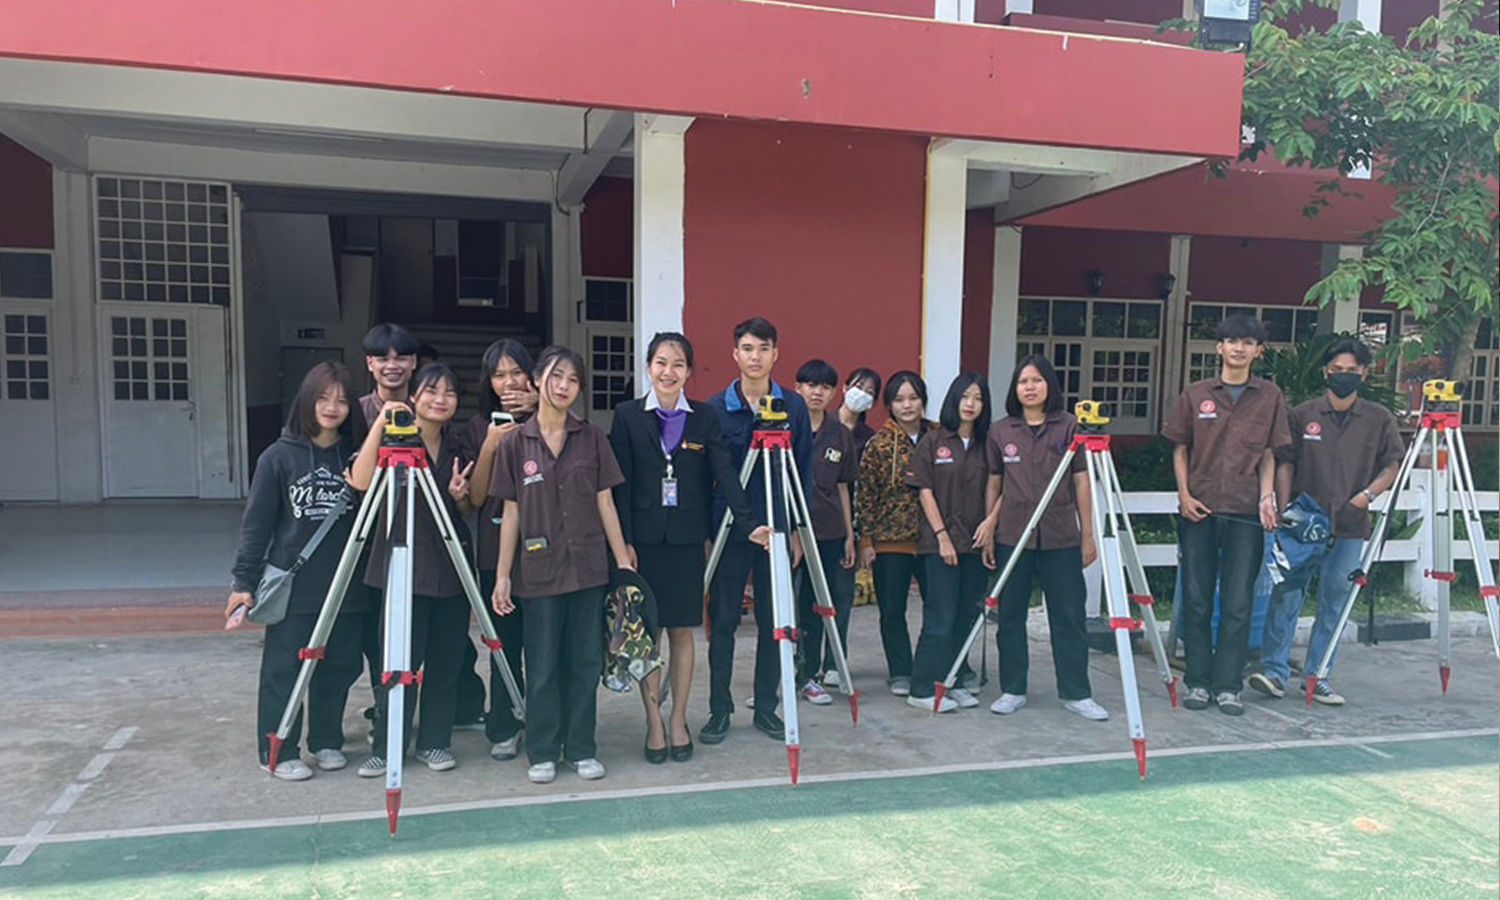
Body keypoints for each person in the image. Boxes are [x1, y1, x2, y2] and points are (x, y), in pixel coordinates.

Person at [609, 332, 767, 764]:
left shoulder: (703, 417)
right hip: (643, 543)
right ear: (648, 367)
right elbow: (620, 484)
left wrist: (748, 523)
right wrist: (624, 541)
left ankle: (677, 718)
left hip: (685, 540)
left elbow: (725, 473)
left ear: (689, 371)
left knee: (682, 632)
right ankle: (653, 721)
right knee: (648, 638)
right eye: (661, 362)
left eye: (678, 364)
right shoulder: (627, 416)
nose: (669, 371)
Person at [491, 346, 634, 784]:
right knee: (542, 666)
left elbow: (606, 502)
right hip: (538, 573)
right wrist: (502, 575)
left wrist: (623, 564)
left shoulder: (592, 439)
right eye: (556, 377)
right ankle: (542, 750)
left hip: (588, 569)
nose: (564, 386)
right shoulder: (515, 443)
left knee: (585, 663)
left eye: (573, 380)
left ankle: (581, 748)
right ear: (536, 381)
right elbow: (511, 513)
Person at [227, 362, 368, 780]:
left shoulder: (358, 456)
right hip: (294, 583)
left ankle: (326, 740)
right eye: (323, 398)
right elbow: (257, 525)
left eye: (341, 400)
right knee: (284, 670)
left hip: (346, 583)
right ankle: (277, 748)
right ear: (306, 400)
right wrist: (243, 581)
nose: (332, 407)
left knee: (339, 666)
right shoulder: (278, 457)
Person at [1250, 338, 1403, 706]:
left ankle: (1318, 676)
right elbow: (1285, 461)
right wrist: (1285, 508)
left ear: (1364, 373)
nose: (1343, 376)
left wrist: (1367, 496)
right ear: (1325, 372)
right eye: (1337, 370)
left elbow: (1392, 465)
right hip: (1302, 525)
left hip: (1350, 524)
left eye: (1351, 371)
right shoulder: (1303, 415)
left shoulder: (1378, 418)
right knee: (1286, 596)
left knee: (1335, 601)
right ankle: (1274, 672)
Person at [349, 363, 478, 776]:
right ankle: (388, 746)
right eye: (431, 391)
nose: (441, 399)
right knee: (396, 663)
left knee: (445, 661)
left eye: (450, 393)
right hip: (400, 566)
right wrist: (383, 423)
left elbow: (468, 507)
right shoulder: (392, 441)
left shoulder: (459, 447)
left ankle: (435, 742)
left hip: (450, 566)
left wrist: (460, 496)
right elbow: (360, 481)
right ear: (414, 397)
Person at [1163, 314, 1291, 715]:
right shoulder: (1196, 394)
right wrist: (1184, 495)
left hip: (1245, 513)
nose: (1239, 348)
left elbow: (1269, 453)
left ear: (1258, 351)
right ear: (1219, 348)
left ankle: (1228, 686)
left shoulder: (1269, 396)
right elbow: (1180, 448)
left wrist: (1267, 497)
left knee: (1238, 601)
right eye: (1232, 341)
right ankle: (1198, 682)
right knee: (1197, 599)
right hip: (1199, 511)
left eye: (1247, 343)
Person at [702, 317, 814, 745]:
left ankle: (767, 706)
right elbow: (709, 476)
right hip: (731, 528)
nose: (755, 357)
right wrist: (709, 535)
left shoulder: (792, 406)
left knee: (773, 620)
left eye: (763, 349)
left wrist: (799, 530)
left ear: (775, 354)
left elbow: (803, 468)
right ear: (735, 354)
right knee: (724, 622)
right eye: (748, 349)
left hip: (778, 528)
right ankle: (719, 709)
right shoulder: (715, 408)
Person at [982, 356, 1107, 721]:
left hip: (1060, 536)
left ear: (1049, 385)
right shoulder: (1002, 431)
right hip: (1013, 535)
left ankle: (1076, 692)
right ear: (1015, 388)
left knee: (1068, 615)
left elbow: (1082, 481)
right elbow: (994, 482)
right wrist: (989, 529)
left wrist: (1087, 534)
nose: (1030, 387)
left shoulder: (1069, 426)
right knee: (1010, 616)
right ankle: (1012, 689)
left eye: (1037, 380)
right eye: (1023, 381)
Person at [458, 339, 540, 760]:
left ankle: (543, 723)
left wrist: (541, 405)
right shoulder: (476, 427)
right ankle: (504, 724)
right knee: (503, 643)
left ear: (532, 376)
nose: (508, 383)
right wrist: (491, 443)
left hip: (547, 550)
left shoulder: (551, 417)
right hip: (496, 551)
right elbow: (474, 498)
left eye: (516, 372)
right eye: (499, 375)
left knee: (544, 644)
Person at [905, 373, 994, 713]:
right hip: (939, 544)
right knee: (940, 618)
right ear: (954, 400)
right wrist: (942, 536)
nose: (970, 404)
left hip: (975, 543)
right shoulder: (934, 441)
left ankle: (951, 681)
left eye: (978, 398)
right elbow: (924, 490)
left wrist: (990, 524)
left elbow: (999, 487)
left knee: (966, 616)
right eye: (965, 396)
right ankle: (922, 688)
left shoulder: (988, 444)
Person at [856, 370, 936, 696]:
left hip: (934, 541)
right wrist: (866, 541)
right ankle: (900, 670)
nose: (907, 405)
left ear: (923, 401)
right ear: (889, 404)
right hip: (891, 541)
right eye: (900, 399)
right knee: (892, 612)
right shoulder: (879, 444)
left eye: (913, 398)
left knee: (939, 609)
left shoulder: (938, 438)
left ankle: (932, 666)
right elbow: (865, 495)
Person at [792, 359, 860, 703]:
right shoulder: (785, 428)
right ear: (797, 388)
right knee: (784, 605)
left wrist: (849, 535)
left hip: (829, 532)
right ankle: (779, 676)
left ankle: (810, 675)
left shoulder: (840, 434)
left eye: (825, 386)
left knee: (817, 604)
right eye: (810, 384)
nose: (817, 392)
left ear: (834, 393)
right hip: (790, 532)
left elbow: (844, 487)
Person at [357, 323, 419, 433]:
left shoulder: (425, 410)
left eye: (400, 359)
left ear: (413, 362)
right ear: (370, 363)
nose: (392, 366)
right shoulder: (357, 411)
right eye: (383, 360)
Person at [837, 367, 883, 453]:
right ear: (845, 388)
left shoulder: (869, 437)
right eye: (858, 387)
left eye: (869, 392)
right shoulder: (824, 422)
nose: (862, 394)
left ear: (872, 402)